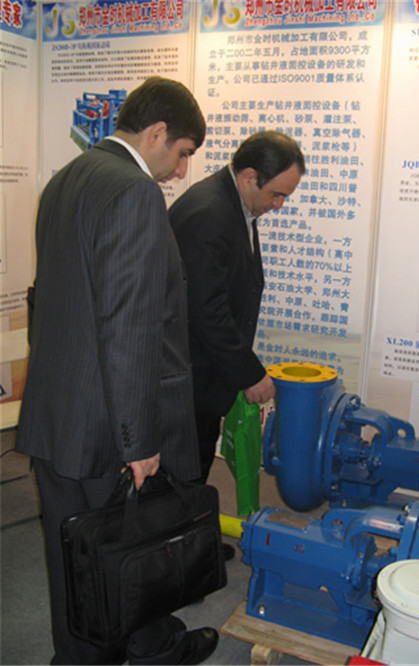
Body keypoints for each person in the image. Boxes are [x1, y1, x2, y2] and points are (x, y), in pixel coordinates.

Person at [16, 77, 219, 665]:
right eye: (183, 153)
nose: (181, 171)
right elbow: (128, 324)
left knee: (74, 554)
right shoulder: (133, 192)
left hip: (58, 412)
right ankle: (127, 653)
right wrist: (139, 441)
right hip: (106, 424)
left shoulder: (66, 179)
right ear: (157, 133)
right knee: (119, 550)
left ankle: (121, 648)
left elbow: (54, 299)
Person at [169, 130, 305, 531]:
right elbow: (205, 311)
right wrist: (249, 373)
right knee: (181, 472)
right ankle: (176, 551)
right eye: (276, 194)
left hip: (204, 372)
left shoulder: (233, 205)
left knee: (194, 466)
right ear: (249, 177)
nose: (279, 206)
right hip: (186, 376)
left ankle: (188, 544)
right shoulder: (209, 214)